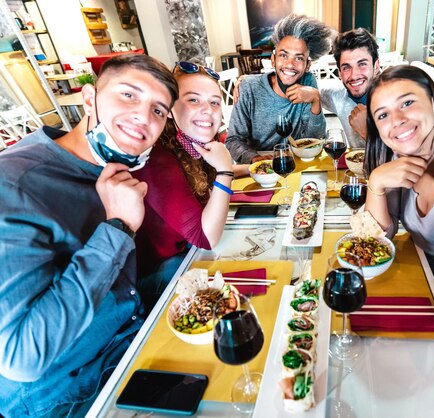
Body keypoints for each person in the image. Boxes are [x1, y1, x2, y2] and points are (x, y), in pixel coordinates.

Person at [0, 54, 178, 417]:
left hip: (126, 333)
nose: (144, 117)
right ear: (89, 99)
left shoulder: (110, 167)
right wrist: (119, 228)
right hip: (65, 389)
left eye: (158, 110)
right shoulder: (14, 183)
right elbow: (21, 358)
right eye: (129, 95)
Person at [134, 62, 234, 307]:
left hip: (188, 251)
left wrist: (243, 168)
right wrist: (225, 171)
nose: (208, 111)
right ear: (169, 108)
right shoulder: (156, 160)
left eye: (214, 102)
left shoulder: (189, 141)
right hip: (158, 272)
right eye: (193, 100)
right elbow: (207, 238)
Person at [364, 65, 434, 305]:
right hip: (424, 285)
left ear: (432, 101)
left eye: (407, 103)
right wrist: (376, 182)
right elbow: (374, 240)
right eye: (383, 115)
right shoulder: (396, 161)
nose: (397, 120)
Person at [225, 13, 333, 164]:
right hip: (260, 167)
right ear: (273, 60)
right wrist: (255, 158)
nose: (290, 64)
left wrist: (316, 99)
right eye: (283, 55)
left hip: (295, 164)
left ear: (308, 65)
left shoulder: (308, 81)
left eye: (299, 58)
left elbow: (315, 140)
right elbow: (233, 140)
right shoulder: (249, 88)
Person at [320, 28, 379, 148]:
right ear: (340, 73)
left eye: (362, 64)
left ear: (376, 66)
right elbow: (315, 92)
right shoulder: (337, 96)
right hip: (355, 166)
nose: (354, 75)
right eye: (346, 67)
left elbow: (406, 160)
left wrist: (367, 132)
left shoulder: (395, 103)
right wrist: (312, 94)